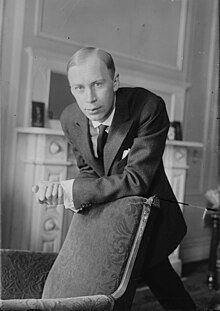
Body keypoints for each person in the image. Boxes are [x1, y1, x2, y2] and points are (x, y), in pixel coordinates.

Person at [33, 47, 196, 310]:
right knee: (112, 288)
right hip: (108, 217)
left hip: (150, 218)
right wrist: (59, 190)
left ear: (115, 81)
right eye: (79, 88)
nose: (90, 99)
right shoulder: (70, 118)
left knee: (155, 278)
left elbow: (136, 180)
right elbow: (89, 171)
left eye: (98, 84)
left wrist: (70, 190)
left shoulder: (148, 107)